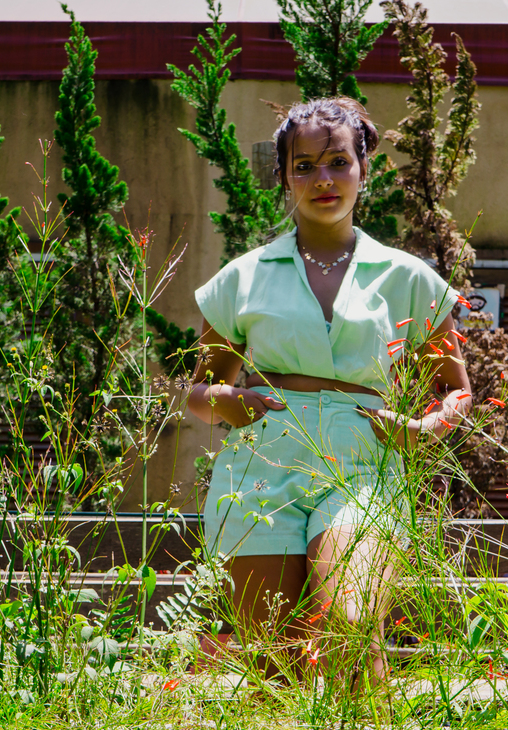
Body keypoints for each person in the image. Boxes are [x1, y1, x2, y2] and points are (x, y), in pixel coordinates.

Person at [186, 97, 472, 687]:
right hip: (261, 468)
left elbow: (458, 394)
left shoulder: (407, 278)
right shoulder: (243, 277)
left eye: (338, 162)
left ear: (364, 169)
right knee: (272, 661)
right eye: (305, 166)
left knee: (350, 627)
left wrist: (424, 429)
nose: (323, 179)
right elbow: (198, 392)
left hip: (363, 462)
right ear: (285, 176)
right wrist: (230, 403)